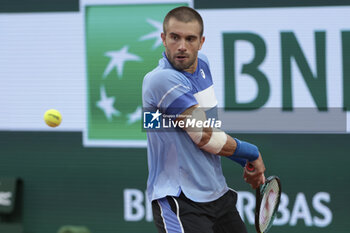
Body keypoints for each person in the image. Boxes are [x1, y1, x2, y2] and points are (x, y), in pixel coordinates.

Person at [142, 6, 266, 233]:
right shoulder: (159, 80)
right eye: (174, 37)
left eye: (190, 39)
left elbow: (210, 129)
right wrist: (251, 153)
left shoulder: (204, 65)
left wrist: (244, 163)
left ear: (201, 42)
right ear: (163, 38)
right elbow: (205, 137)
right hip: (179, 200)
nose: (182, 46)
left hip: (216, 194)